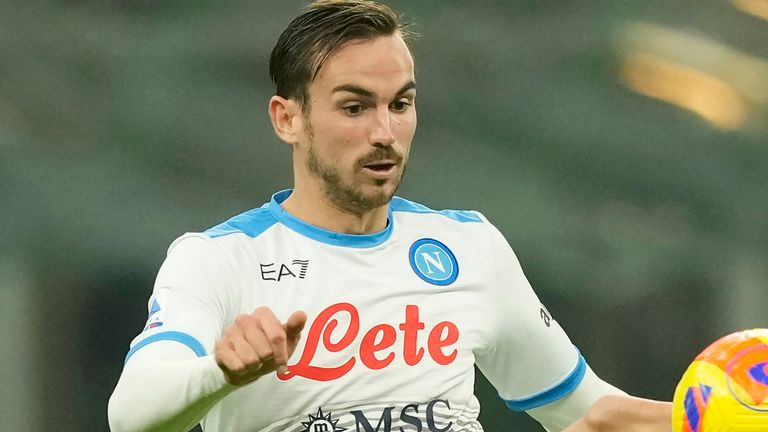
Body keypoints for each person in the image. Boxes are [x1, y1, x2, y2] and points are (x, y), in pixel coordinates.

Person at [108, 1, 673, 431]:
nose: (385, 133)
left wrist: (724, 411)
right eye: (354, 107)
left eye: (400, 104)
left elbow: (593, 413)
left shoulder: (470, 246)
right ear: (287, 118)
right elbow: (131, 415)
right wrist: (221, 374)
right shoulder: (220, 259)